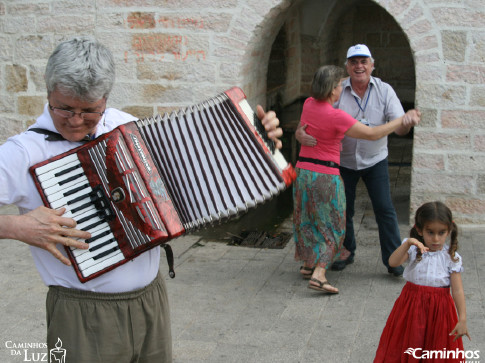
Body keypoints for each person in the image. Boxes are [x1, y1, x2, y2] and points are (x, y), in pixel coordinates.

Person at [0, 37, 283, 363]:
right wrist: (16, 226)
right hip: (83, 312)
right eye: (64, 107)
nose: (76, 120)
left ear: (104, 99)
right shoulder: (23, 152)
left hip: (151, 299)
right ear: (49, 93)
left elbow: (199, 164)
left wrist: (259, 140)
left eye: (89, 111)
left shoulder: (123, 126)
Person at [293, 65, 420, 294]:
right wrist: (402, 120)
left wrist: (299, 133)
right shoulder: (336, 115)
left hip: (303, 173)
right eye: (339, 85)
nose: (341, 88)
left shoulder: (308, 103)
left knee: (309, 219)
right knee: (334, 224)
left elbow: (305, 126)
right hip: (326, 175)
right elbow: (372, 134)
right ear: (332, 90)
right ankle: (320, 274)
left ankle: (308, 264)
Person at [374, 201, 470, 362]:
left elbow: (458, 290)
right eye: (430, 232)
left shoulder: (451, 257)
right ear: (419, 229)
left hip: (440, 311)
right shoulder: (412, 249)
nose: (436, 238)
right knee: (409, 344)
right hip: (411, 307)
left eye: (441, 232)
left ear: (449, 230)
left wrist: (462, 319)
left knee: (436, 348)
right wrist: (408, 243)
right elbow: (393, 262)